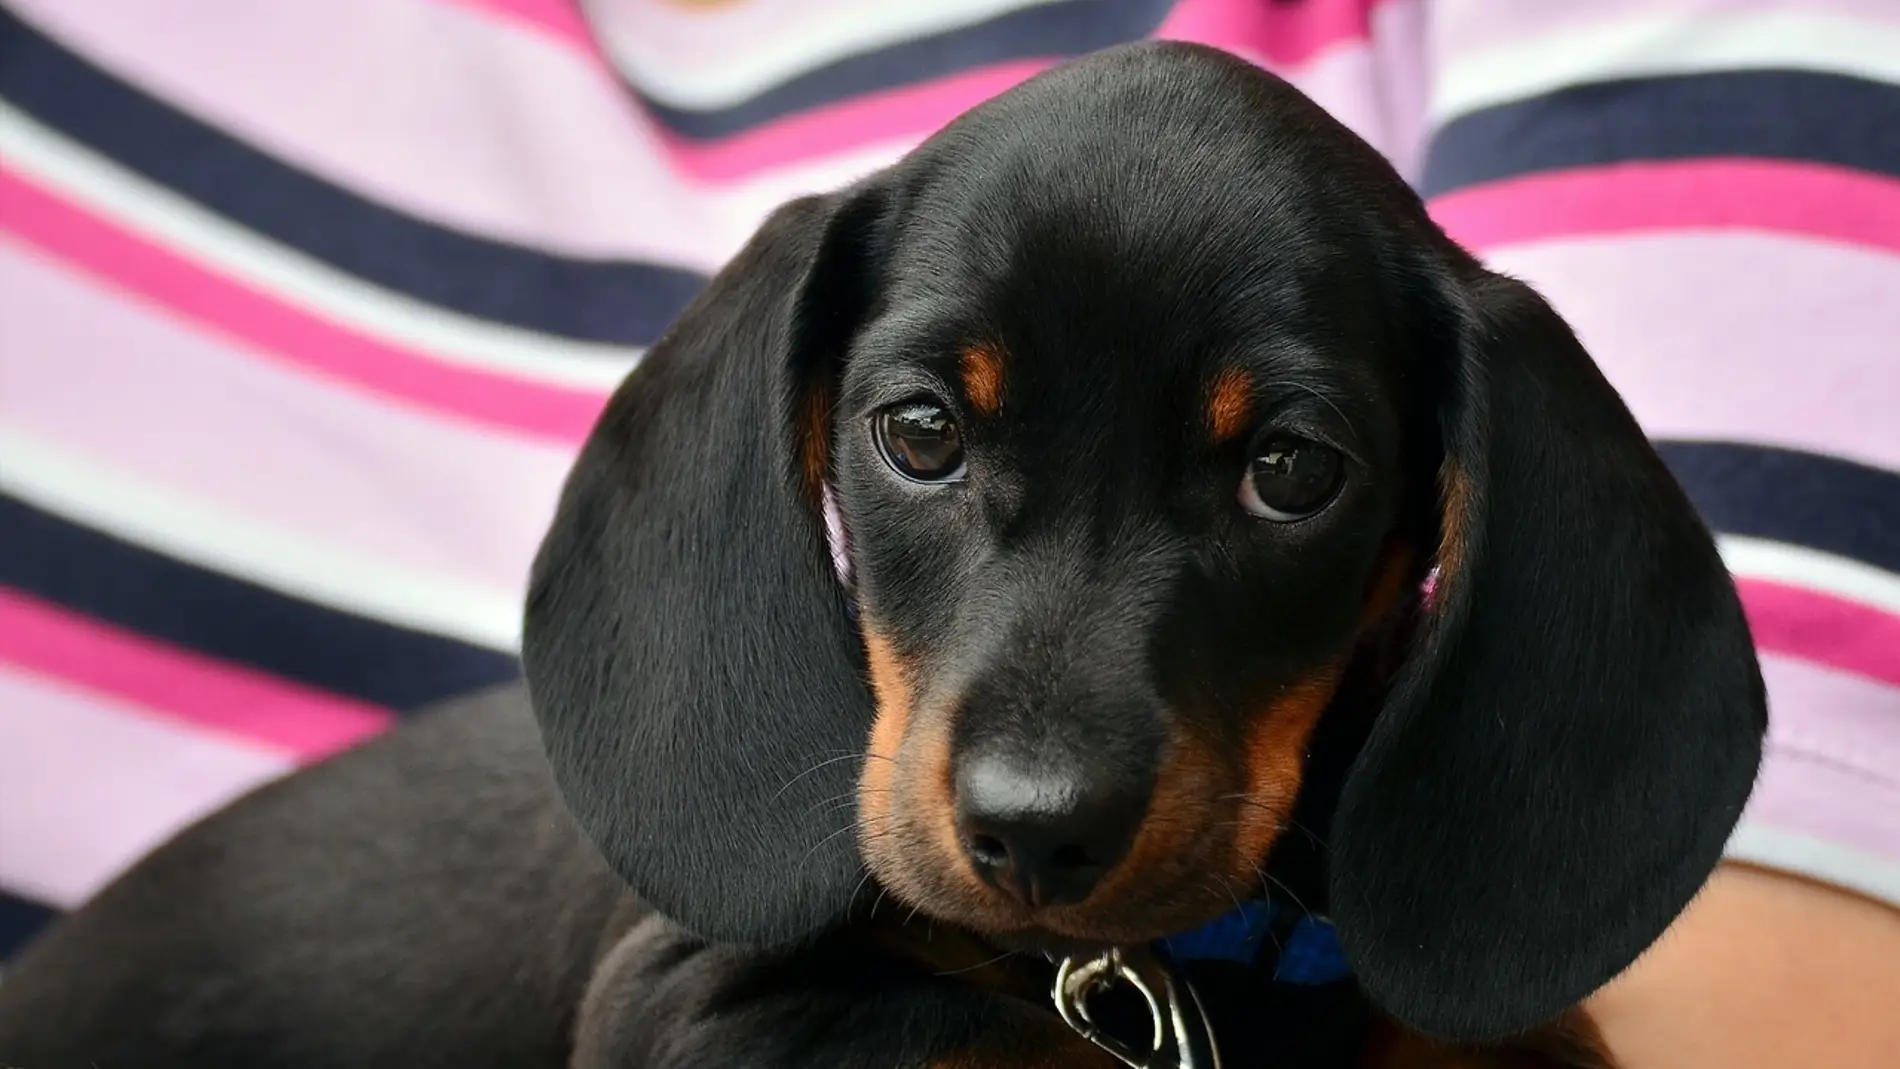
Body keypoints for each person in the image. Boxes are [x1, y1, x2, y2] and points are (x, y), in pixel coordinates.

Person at [2, 2, 1894, 1064]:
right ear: (810, 436)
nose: (1032, 768)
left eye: (1283, 474)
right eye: (928, 439)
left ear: (1448, 523)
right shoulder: (792, 956)